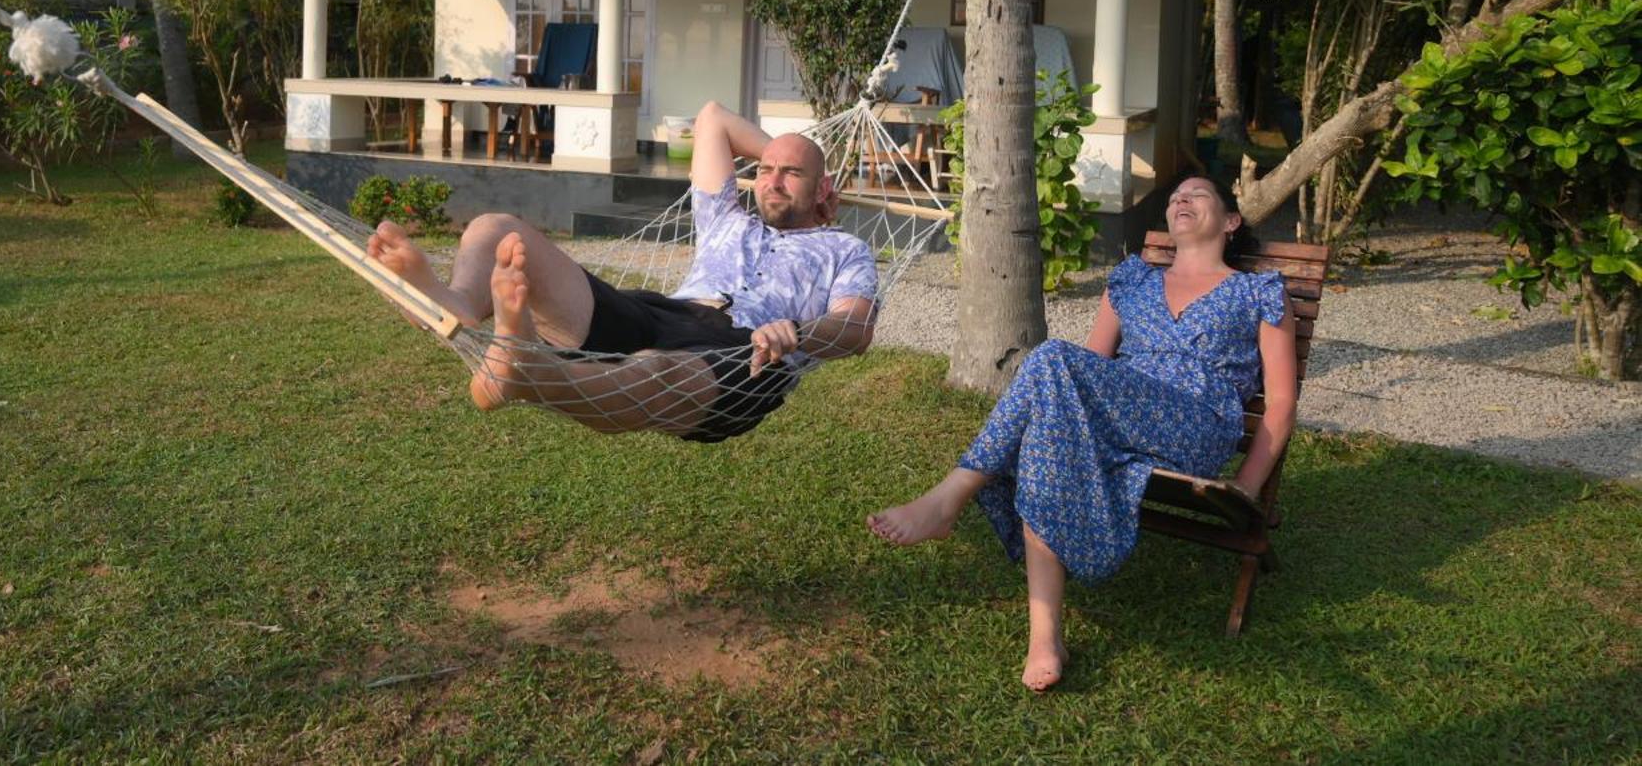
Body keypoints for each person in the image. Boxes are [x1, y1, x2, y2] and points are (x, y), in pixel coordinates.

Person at [867, 174, 1296, 692]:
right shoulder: (1132, 282)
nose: (1181, 199)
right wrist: (1066, 413)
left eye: (1198, 194)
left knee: (1050, 357)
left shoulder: (1257, 293)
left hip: (1195, 424)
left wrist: (1248, 486)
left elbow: (1280, 405)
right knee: (1048, 434)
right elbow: (1091, 365)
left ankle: (951, 496)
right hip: (1118, 414)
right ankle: (1045, 638)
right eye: (1175, 195)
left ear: (1229, 223)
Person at [364, 100, 879, 442]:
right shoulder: (726, 216)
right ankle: (456, 302)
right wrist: (788, 150)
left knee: (655, 370)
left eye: (792, 174)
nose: (772, 181)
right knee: (498, 227)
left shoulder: (844, 248)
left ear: (823, 188)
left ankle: (532, 373)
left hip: (749, 355)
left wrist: (798, 332)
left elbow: (855, 329)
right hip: (665, 311)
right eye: (765, 170)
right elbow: (712, 118)